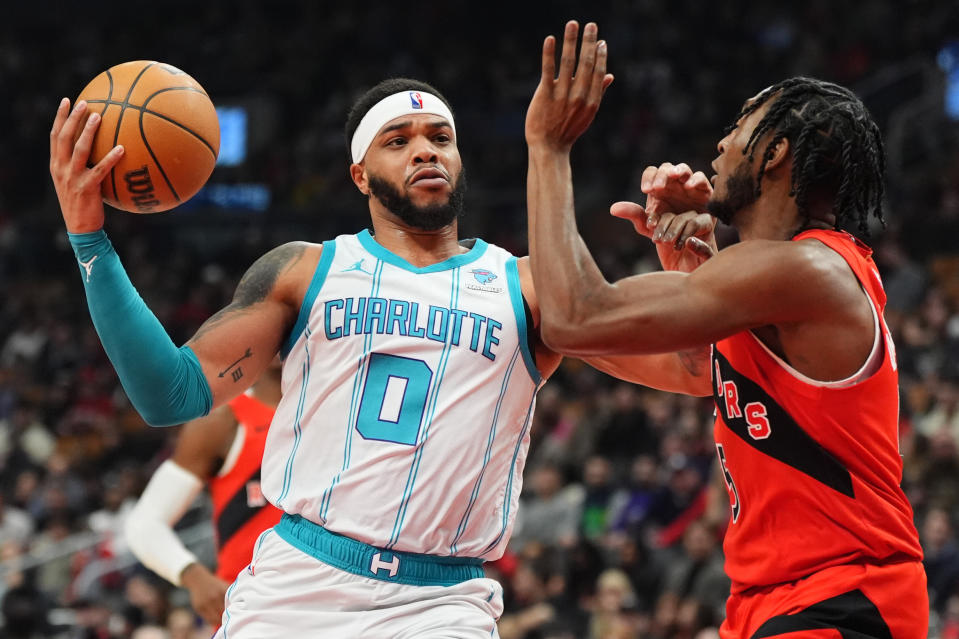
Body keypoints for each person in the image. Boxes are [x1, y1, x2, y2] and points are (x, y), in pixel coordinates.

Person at [49, 74, 707, 636]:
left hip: (441, 603)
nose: (425, 152)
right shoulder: (304, 271)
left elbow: (693, 372)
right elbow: (170, 393)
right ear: (360, 173)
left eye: (439, 138)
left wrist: (691, 276)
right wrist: (89, 239)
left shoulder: (532, 285)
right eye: (399, 141)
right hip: (295, 587)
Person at [524, 20, 927, 639]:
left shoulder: (807, 269)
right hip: (775, 601)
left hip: (846, 596)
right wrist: (694, 267)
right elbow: (690, 369)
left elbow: (579, 317)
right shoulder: (785, 280)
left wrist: (548, 149)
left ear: (774, 153)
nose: (721, 143)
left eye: (740, 126)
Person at [124, 361, 282, 627]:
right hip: (253, 613)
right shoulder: (225, 419)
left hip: (337, 608)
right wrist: (194, 577)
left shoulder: (341, 412)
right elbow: (144, 523)